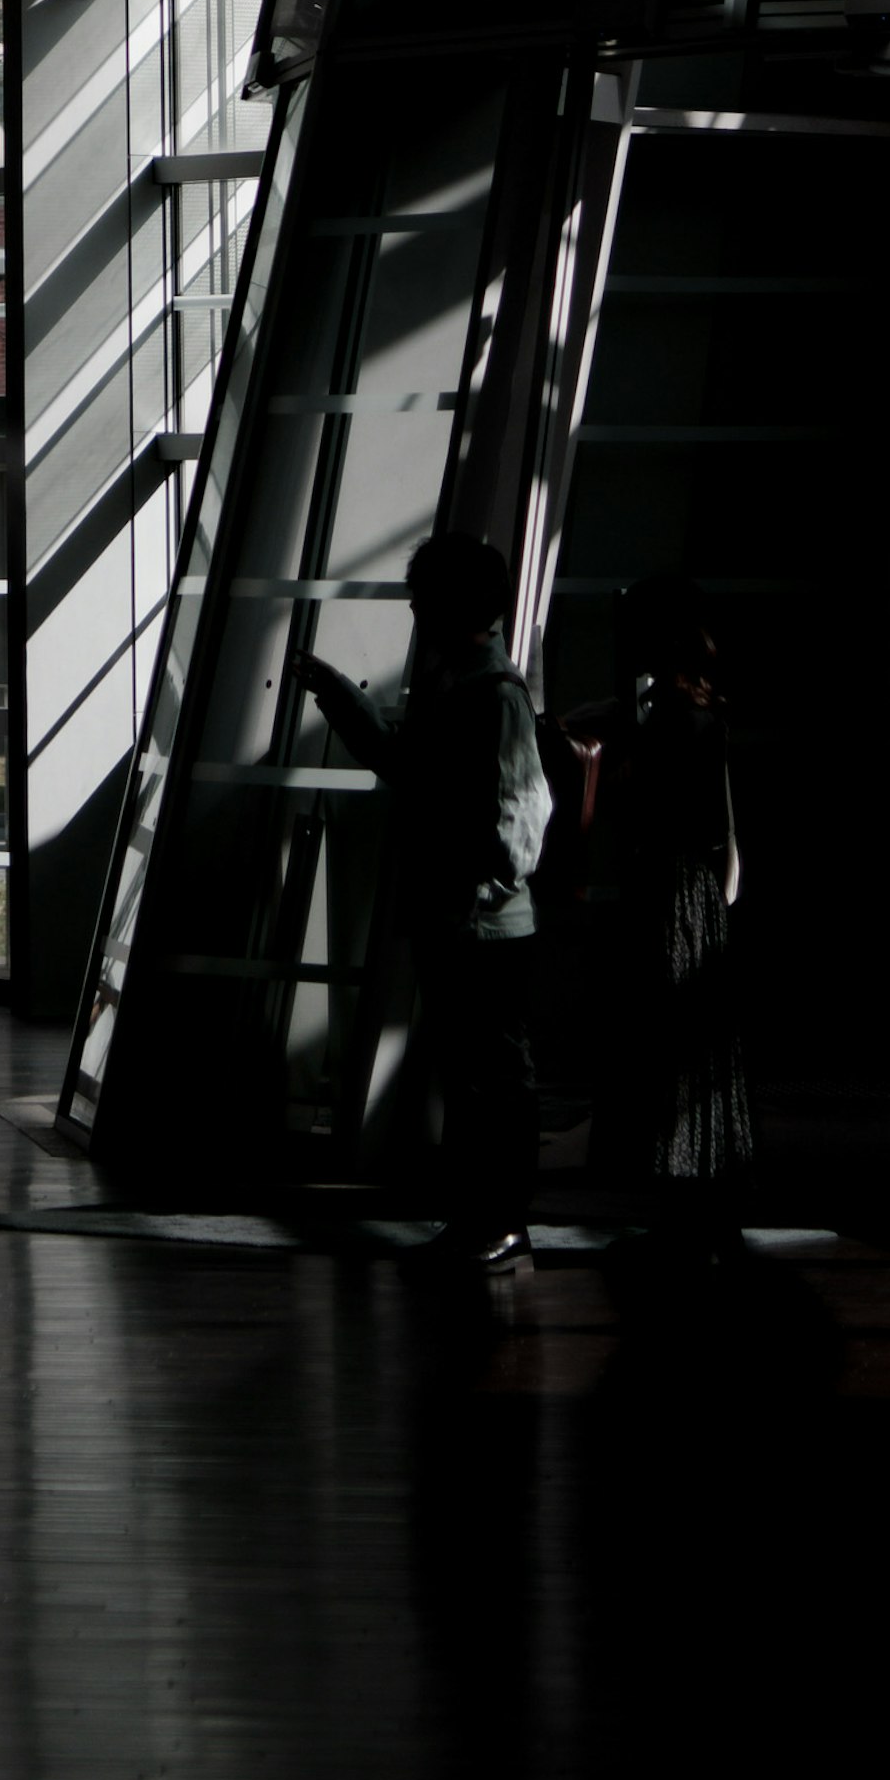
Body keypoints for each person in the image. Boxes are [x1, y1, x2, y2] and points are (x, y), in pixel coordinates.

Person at [298, 527, 552, 1267]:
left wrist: (470, 885)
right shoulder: (477, 687)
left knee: (487, 1080)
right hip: (479, 919)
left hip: (477, 922)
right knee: (485, 1077)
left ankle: (496, 1219)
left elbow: (496, 815)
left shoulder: (481, 693)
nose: (414, 611)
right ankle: (489, 1218)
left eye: (421, 597)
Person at [572, 579, 751, 1229]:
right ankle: (698, 1160)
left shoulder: (664, 724)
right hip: (698, 886)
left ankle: (659, 1157)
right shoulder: (711, 722)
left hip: (664, 885)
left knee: (655, 1024)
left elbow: (631, 797)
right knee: (695, 1031)